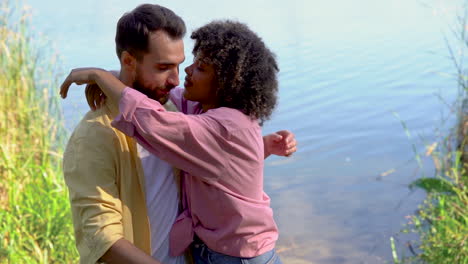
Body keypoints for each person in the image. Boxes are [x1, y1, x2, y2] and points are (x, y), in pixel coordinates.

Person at [62, 4, 296, 264]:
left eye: (183, 66)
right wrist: (109, 77)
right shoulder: (96, 135)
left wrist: (100, 76)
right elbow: (100, 238)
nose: (178, 79)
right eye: (164, 67)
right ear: (129, 62)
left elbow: (153, 119)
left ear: (228, 83)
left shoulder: (179, 114)